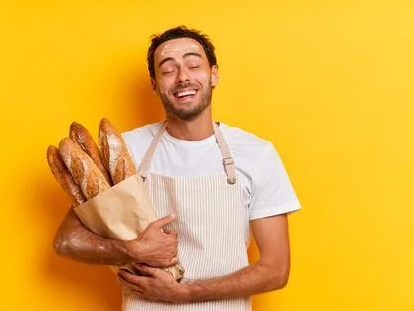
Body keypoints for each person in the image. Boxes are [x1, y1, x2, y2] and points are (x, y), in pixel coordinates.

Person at [53, 25, 301, 310]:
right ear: (155, 84)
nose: (183, 77)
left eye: (193, 65)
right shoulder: (128, 150)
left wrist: (184, 293)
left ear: (214, 74)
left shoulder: (256, 154)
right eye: (168, 70)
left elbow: (276, 269)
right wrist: (131, 250)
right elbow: (66, 241)